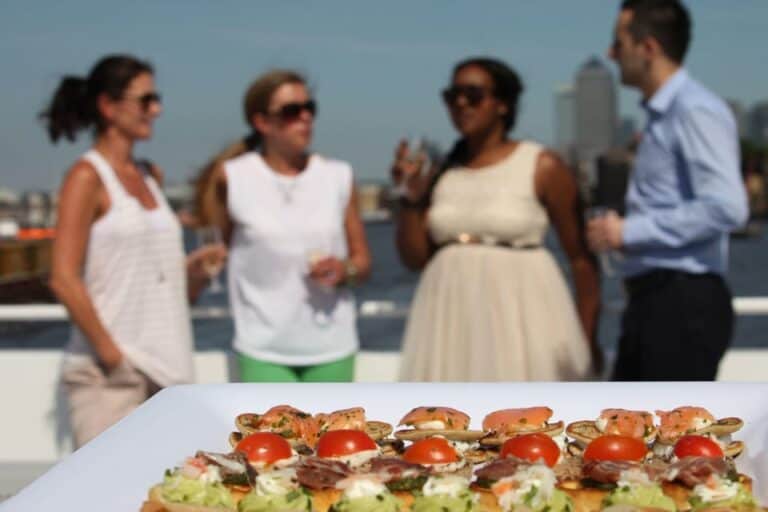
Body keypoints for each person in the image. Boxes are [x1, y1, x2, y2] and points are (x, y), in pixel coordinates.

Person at [43, 55, 226, 448]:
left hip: (167, 372)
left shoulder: (151, 175)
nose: (156, 110)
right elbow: (63, 278)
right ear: (109, 106)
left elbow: (151, 276)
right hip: (112, 380)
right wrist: (113, 357)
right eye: (146, 100)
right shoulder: (87, 177)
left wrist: (191, 271)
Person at [394, 57, 602, 382]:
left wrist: (587, 338)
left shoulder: (541, 165)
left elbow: (581, 259)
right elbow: (415, 258)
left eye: (473, 94)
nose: (461, 103)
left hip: (523, 321)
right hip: (449, 324)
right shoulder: (442, 172)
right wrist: (409, 198)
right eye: (453, 96)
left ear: (502, 103)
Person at [587, 0, 749, 381]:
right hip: (656, 300)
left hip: (679, 303)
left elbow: (727, 207)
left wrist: (628, 232)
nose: (611, 53)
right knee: (629, 429)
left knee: (664, 432)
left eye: (618, 42)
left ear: (648, 48)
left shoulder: (693, 110)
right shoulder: (668, 115)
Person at [196, 69, 371, 382]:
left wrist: (345, 270)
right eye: (292, 111)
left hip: (332, 347)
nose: (305, 118)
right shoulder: (233, 177)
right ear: (261, 122)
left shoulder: (338, 176)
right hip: (262, 348)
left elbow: (363, 262)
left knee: (331, 434)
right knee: (272, 434)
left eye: (310, 108)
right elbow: (212, 251)